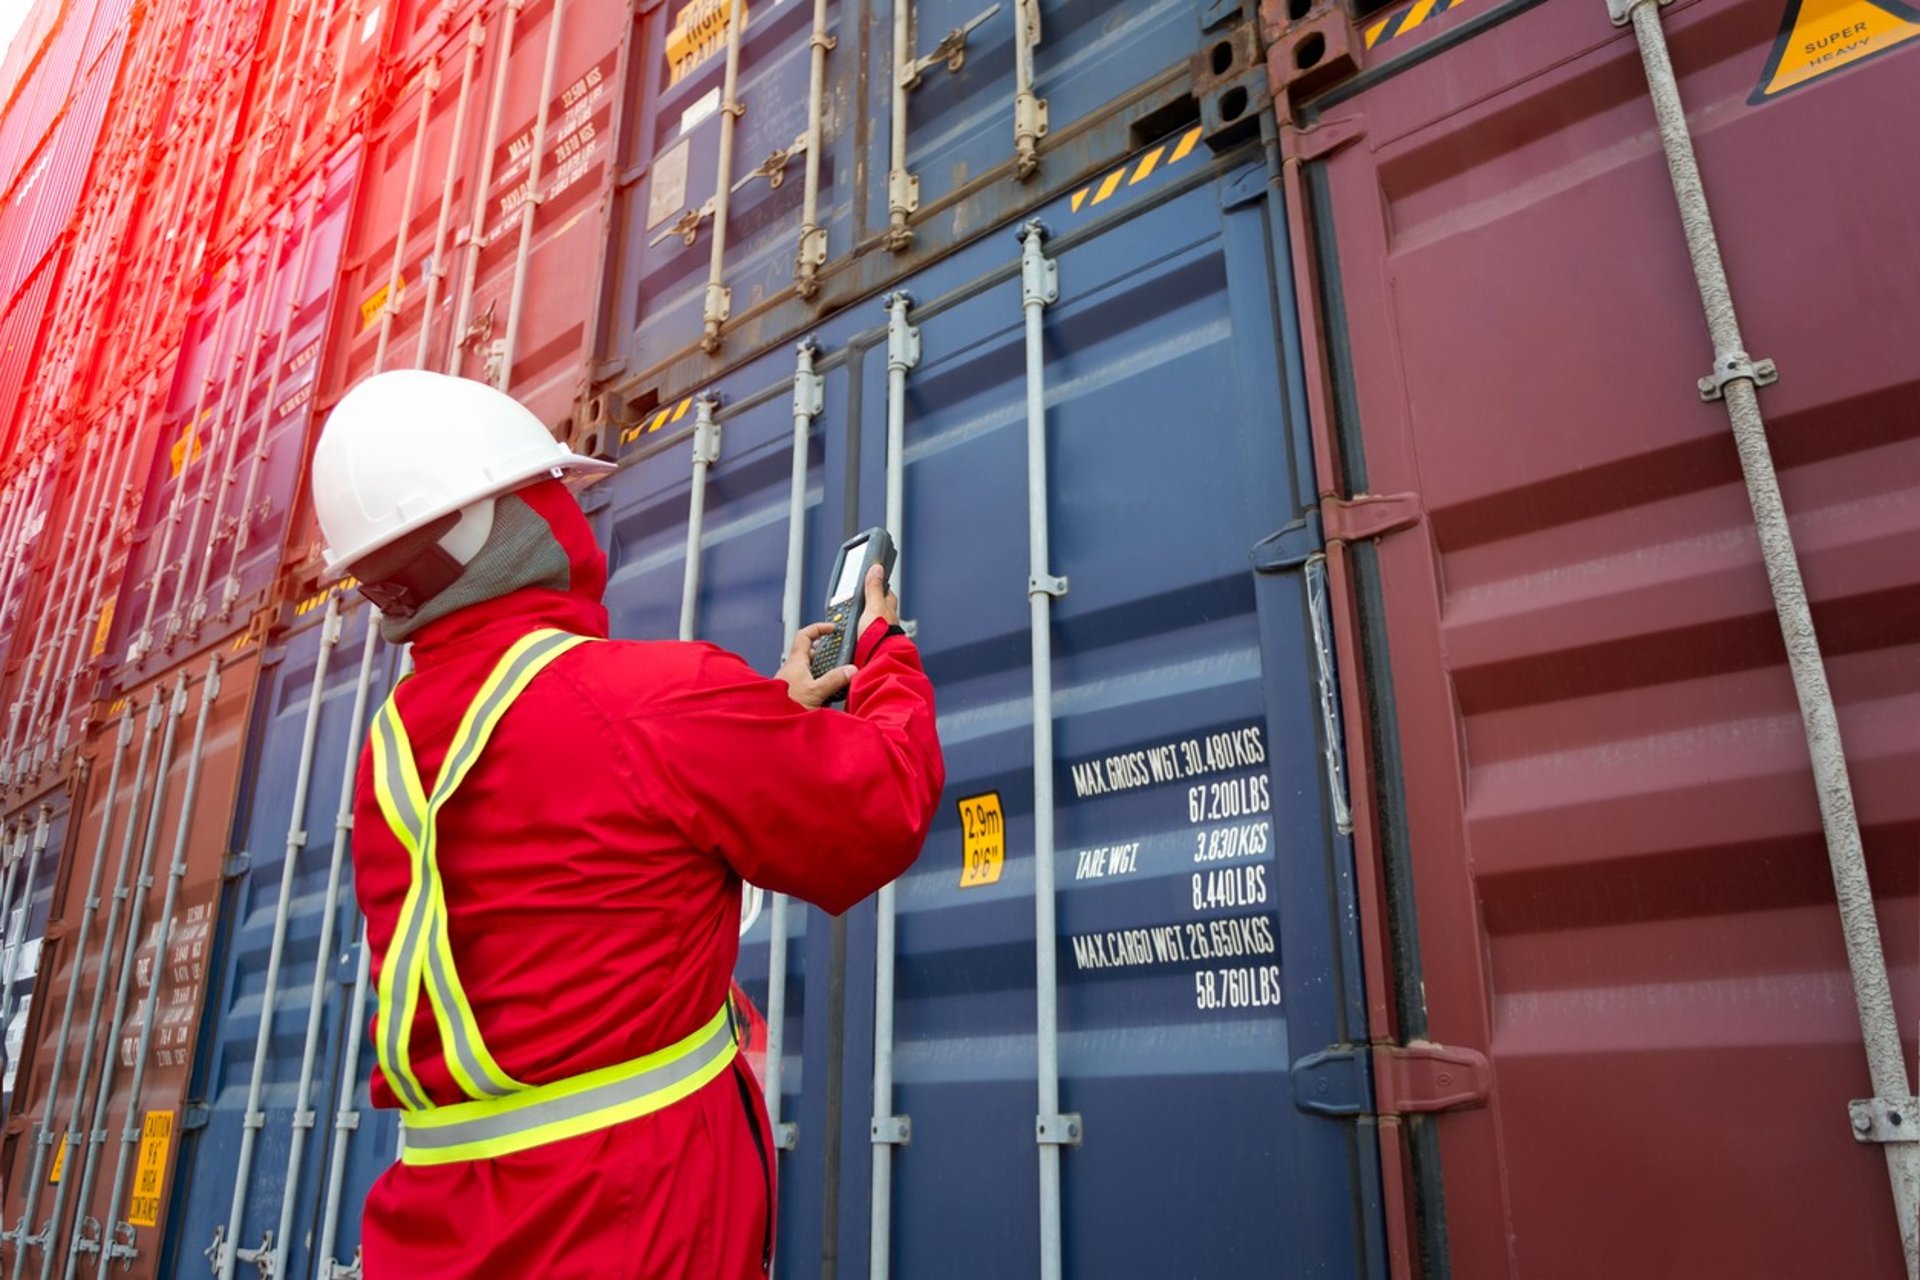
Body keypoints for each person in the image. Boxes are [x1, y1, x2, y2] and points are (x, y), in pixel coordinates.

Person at [308, 369, 945, 1279]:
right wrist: (882, 657)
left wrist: (764, 714)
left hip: (441, 1235)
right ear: (498, 527)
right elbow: (876, 809)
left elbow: (586, 859)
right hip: (623, 1228)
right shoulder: (655, 701)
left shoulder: (396, 749)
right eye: (548, 490)